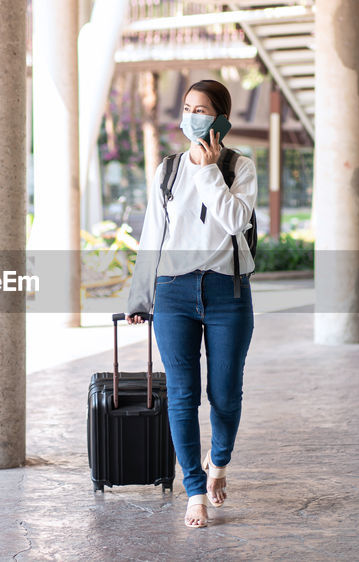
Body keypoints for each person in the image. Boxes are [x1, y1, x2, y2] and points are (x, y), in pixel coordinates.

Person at [124, 79, 257, 528]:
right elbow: (152, 237)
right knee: (182, 396)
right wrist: (141, 295)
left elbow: (236, 221)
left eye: (202, 109)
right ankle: (195, 491)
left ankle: (218, 463)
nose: (192, 116)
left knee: (224, 394)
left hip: (227, 292)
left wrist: (207, 170)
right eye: (187, 107)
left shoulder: (241, 166)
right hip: (174, 291)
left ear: (221, 118)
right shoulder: (166, 169)